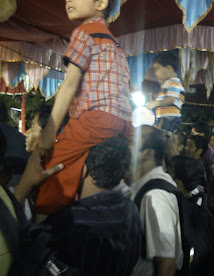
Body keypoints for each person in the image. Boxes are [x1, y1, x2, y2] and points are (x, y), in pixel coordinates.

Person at [32, 0, 133, 216]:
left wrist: (49, 131)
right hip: (121, 121)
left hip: (96, 117)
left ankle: (40, 226)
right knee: (76, 167)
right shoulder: (113, 43)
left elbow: (69, 84)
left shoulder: (85, 31)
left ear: (101, 3)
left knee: (51, 163)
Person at [12, 137, 141, 275]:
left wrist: (23, 188)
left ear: (83, 170)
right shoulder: (130, 211)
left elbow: (24, 256)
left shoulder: (69, 221)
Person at [130, 125, 183, 276]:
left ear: (147, 153)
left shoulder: (155, 197)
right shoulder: (148, 186)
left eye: (131, 141)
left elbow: (166, 264)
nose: (125, 145)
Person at [146, 52, 185, 136]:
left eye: (157, 68)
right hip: (164, 119)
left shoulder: (174, 82)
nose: (155, 73)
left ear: (168, 68)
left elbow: (171, 99)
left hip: (169, 119)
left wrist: (155, 103)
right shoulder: (166, 84)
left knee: (164, 140)